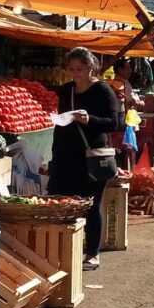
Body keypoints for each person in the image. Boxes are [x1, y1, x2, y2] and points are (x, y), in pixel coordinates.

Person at [47, 47, 121, 271]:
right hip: (65, 155)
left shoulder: (103, 90)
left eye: (79, 69)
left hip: (91, 157)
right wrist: (53, 158)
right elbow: (60, 126)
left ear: (91, 68)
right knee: (61, 202)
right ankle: (64, 249)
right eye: (71, 69)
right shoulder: (66, 90)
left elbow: (113, 123)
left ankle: (92, 253)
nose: (75, 73)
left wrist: (90, 120)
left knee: (91, 205)